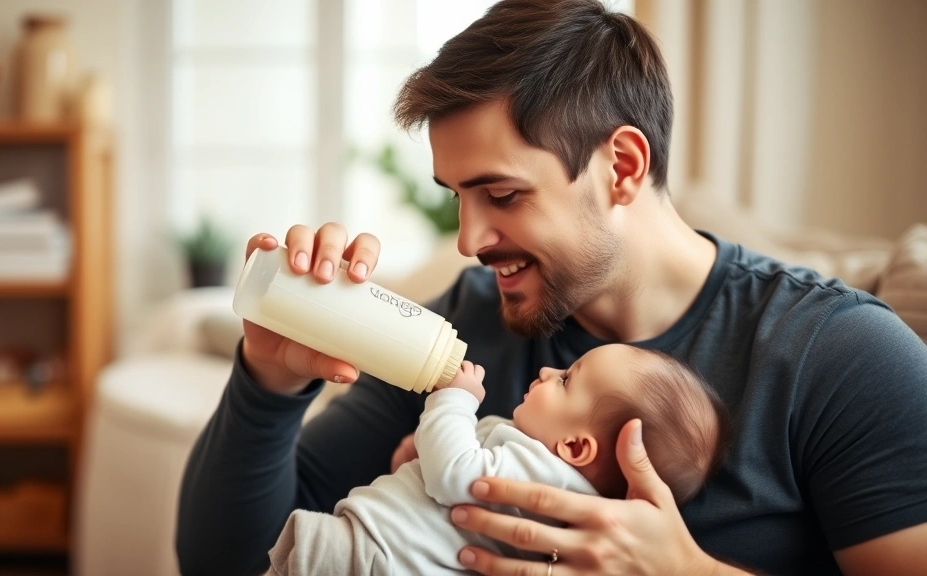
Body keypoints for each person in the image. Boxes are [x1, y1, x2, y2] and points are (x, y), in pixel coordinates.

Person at [176, 1, 927, 574]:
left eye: (501, 195)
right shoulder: (468, 322)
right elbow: (234, 562)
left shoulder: (842, 356)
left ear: (622, 167)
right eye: (456, 197)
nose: (468, 242)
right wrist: (267, 382)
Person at [266, 345, 729, 575]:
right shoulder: (537, 464)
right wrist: (422, 456)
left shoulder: (546, 479)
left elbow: (457, 476)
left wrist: (453, 402)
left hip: (373, 556)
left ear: (574, 448)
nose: (548, 370)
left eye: (566, 380)